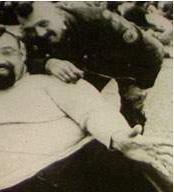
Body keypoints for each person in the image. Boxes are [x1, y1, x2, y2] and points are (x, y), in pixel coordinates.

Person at [0, 26, 172, 192]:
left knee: (127, 160)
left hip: (78, 165)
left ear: (23, 54)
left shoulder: (49, 80)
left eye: (7, 52)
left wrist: (118, 137)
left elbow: (92, 110)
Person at [15, 2, 164, 128]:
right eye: (30, 29)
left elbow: (151, 49)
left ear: (59, 15)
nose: (40, 33)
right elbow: (21, 59)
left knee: (131, 110)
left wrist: (141, 84)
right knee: (78, 107)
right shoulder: (31, 35)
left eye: (44, 24)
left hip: (128, 63)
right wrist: (47, 63)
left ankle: (133, 148)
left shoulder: (96, 19)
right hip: (87, 64)